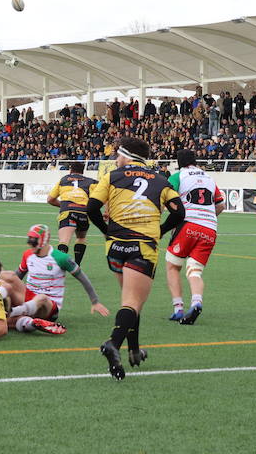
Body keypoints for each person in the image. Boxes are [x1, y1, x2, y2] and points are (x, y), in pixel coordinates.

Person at [87, 136, 185, 380]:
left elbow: (91, 208)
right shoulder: (161, 181)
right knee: (133, 302)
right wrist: (161, 231)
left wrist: (106, 230)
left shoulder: (111, 177)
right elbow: (179, 212)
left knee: (131, 302)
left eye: (117, 156)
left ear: (125, 155)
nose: (115, 160)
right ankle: (113, 343)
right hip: (142, 246)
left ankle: (132, 351)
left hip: (115, 247)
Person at [0, 224, 109, 333]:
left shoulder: (61, 258)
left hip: (49, 306)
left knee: (41, 298)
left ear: (43, 240)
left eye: (33, 241)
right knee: (7, 275)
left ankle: (12, 312)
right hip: (29, 298)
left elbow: (83, 278)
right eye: (29, 240)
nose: (30, 244)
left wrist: (95, 302)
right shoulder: (28, 255)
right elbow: (16, 277)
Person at [164, 150, 225, 325]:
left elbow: (166, 198)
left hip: (188, 225)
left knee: (173, 266)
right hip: (210, 229)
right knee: (194, 271)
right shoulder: (209, 178)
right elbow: (220, 205)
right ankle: (197, 302)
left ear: (179, 162)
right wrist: (207, 216)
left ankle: (178, 309)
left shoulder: (178, 176)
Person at [47, 161, 96, 264]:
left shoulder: (63, 180)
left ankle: (60, 268)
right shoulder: (91, 182)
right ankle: (77, 265)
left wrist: (64, 204)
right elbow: (102, 197)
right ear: (82, 171)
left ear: (70, 170)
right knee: (81, 238)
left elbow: (50, 199)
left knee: (64, 241)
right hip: (83, 213)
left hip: (67, 212)